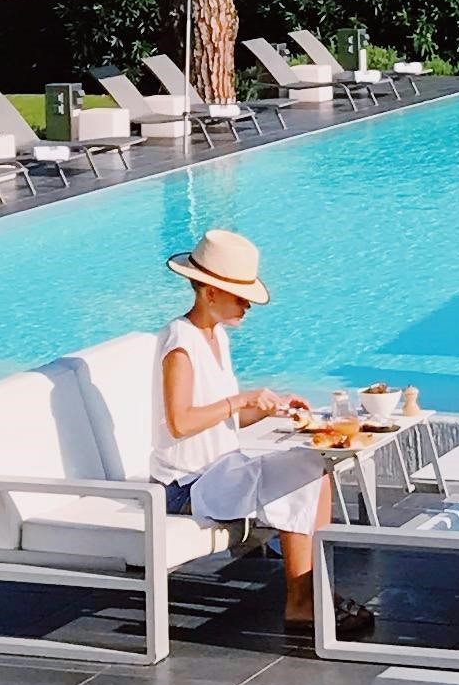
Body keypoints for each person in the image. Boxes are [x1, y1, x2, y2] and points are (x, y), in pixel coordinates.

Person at [149, 225, 363, 637]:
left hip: (219, 471)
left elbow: (220, 420)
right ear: (209, 292)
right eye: (240, 297)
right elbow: (180, 422)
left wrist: (269, 410)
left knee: (314, 466)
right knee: (306, 470)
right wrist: (241, 400)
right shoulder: (179, 343)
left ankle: (310, 590)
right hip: (184, 488)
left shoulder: (216, 338)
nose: (247, 306)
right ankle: (301, 600)